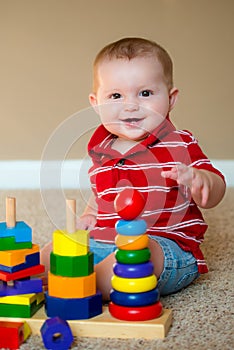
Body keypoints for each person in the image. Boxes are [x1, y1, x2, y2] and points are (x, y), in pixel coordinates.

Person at [41, 37, 225, 300]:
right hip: (107, 242)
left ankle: (89, 287)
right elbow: (102, 195)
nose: (130, 105)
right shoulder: (101, 149)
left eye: (145, 93)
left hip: (166, 247)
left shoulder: (179, 143)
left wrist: (200, 180)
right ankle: (37, 277)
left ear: (171, 99)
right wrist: (89, 215)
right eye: (116, 96)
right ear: (96, 103)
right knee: (57, 249)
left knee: (138, 251)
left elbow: (216, 188)